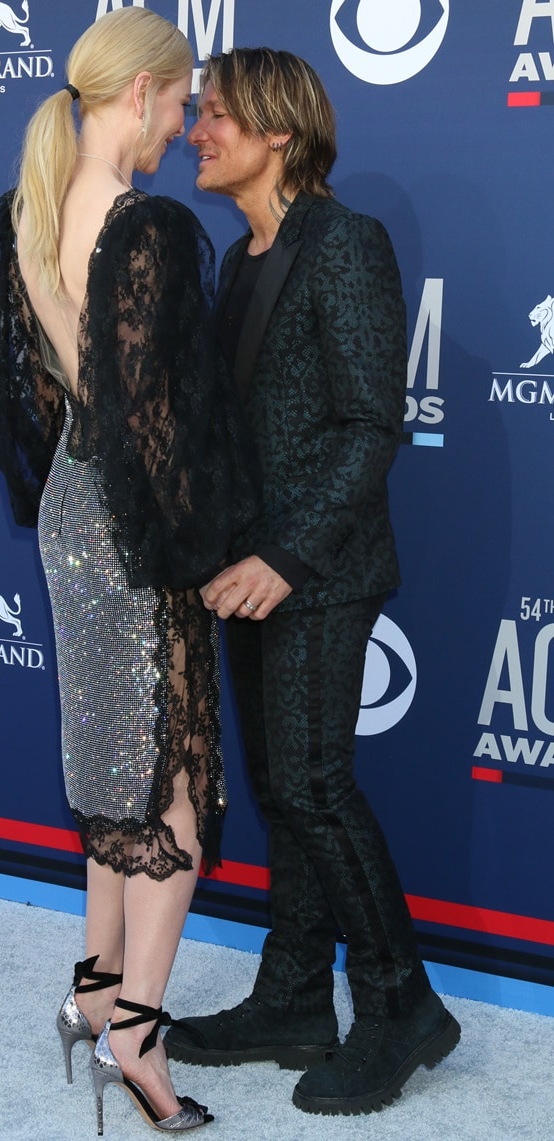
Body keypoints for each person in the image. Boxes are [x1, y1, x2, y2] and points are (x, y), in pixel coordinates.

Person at [0, 10, 259, 1134]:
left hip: (70, 512)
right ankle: (138, 1027)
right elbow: (160, 424)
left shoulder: (27, 213)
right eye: (181, 101)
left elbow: (43, 401)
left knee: (106, 759)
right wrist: (209, 543)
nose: (184, 122)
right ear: (138, 93)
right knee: (175, 784)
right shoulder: (146, 229)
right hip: (138, 525)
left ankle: (93, 985)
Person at [164, 47, 460, 1116]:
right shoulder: (240, 257)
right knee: (286, 792)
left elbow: (371, 423)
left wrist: (286, 558)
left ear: (278, 132)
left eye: (217, 116)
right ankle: (293, 998)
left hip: (317, 573)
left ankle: (400, 1004)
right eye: (195, 115)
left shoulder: (345, 245)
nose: (197, 131)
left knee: (314, 785)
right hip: (246, 576)